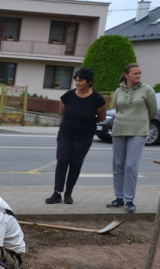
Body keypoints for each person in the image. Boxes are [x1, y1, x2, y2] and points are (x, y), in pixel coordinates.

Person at [45, 67, 106, 205]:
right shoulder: (69, 95)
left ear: (89, 82)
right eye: (76, 80)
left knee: (75, 164)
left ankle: (68, 193)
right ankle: (56, 193)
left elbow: (101, 117)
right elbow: (63, 111)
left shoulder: (97, 98)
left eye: (81, 80)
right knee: (62, 161)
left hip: (84, 136)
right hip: (66, 134)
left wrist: (86, 121)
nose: (77, 83)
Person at [106, 63, 158, 214]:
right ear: (126, 75)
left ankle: (129, 200)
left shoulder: (147, 90)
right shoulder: (118, 91)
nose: (138, 76)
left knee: (130, 165)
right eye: (135, 73)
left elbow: (153, 111)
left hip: (138, 131)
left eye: (140, 73)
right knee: (118, 165)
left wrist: (140, 121)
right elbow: (117, 109)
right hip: (119, 129)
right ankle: (119, 198)